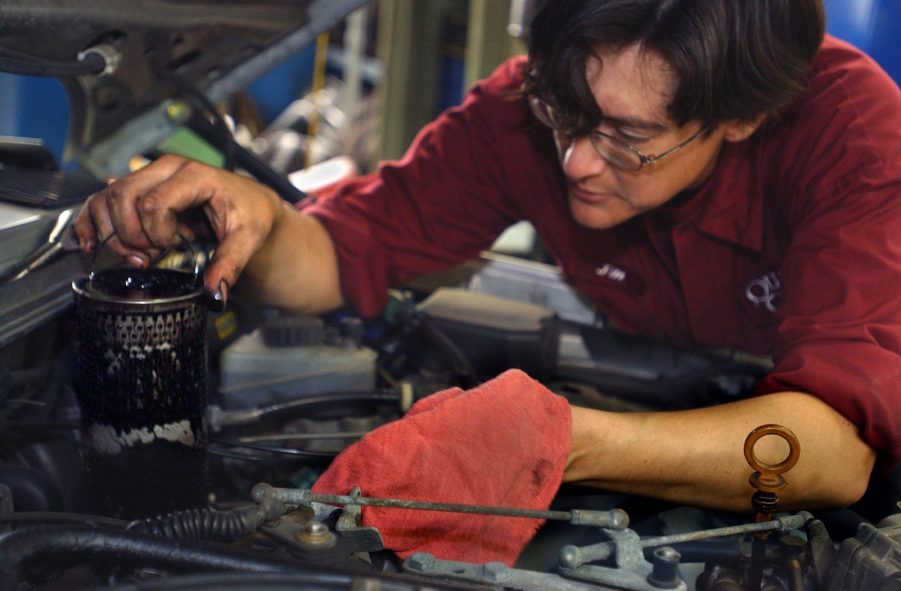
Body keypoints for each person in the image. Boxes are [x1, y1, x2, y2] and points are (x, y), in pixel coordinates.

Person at [75, 0, 900, 526]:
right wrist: (261, 217)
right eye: (562, 111)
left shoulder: (852, 139)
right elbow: (342, 254)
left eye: (626, 138)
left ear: (743, 117)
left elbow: (829, 452)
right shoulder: (523, 114)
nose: (574, 160)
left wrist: (558, 442)